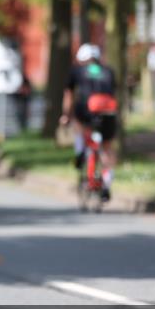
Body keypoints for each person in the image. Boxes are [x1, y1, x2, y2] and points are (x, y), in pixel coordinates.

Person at [59, 43, 118, 201]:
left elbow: (69, 95)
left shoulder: (77, 71)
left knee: (78, 126)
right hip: (108, 113)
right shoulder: (108, 71)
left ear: (80, 59)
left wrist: (65, 115)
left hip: (86, 112)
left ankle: (80, 154)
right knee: (107, 148)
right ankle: (107, 181)